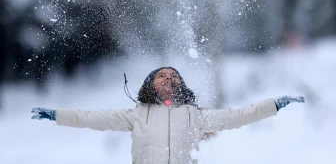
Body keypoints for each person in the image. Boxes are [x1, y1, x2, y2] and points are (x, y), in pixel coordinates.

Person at [31, 67, 305, 164]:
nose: (168, 78)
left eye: (174, 76)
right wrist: (56, 114)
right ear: (150, 84)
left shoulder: (195, 116)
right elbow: (90, 117)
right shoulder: (136, 114)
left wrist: (274, 105)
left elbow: (239, 116)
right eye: (161, 75)